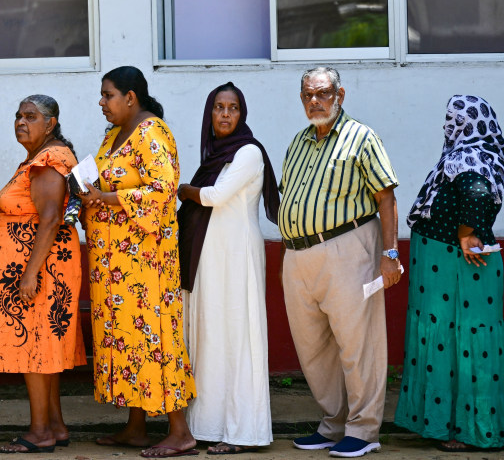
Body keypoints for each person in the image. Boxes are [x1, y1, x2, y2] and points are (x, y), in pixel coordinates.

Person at [279, 67, 400, 458]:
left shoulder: (361, 138)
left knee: (357, 343)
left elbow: (386, 198)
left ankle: (364, 430)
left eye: (324, 93)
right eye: (308, 96)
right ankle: (333, 424)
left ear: (340, 94)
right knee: (314, 349)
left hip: (348, 247)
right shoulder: (297, 142)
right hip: (297, 255)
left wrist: (391, 254)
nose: (315, 101)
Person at [80, 66, 197, 458]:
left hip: (146, 264)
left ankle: (180, 431)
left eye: (108, 95)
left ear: (131, 97)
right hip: (113, 266)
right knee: (128, 340)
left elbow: (163, 192)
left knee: (155, 339)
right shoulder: (114, 135)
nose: (102, 102)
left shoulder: (152, 133)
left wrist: (105, 199)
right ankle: (135, 427)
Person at [0, 95, 85, 453]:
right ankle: (54, 425)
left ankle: (40, 432)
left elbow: (51, 218)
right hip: (38, 269)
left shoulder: (50, 160)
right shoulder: (41, 157)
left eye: (31, 116)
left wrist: (29, 274)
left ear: (50, 124)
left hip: (40, 271)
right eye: (19, 115)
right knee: (43, 349)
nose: (21, 121)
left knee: (35, 348)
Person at [395, 94, 504, 452]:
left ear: (472, 123)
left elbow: (476, 192)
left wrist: (465, 232)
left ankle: (470, 429)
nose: (448, 126)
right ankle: (442, 424)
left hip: (458, 265)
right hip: (443, 265)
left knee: (464, 343)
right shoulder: (466, 156)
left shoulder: (470, 158)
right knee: (443, 339)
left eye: (455, 120)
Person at [176, 83, 280, 454]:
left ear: (242, 114)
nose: (225, 114)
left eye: (232, 108)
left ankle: (242, 432)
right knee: (210, 338)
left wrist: (185, 190)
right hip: (209, 257)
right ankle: (208, 425)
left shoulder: (248, 152)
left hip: (236, 257)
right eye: (218, 107)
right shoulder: (214, 156)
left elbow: (214, 197)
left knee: (238, 339)